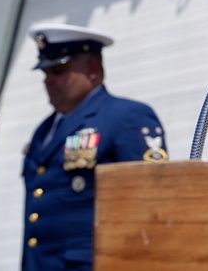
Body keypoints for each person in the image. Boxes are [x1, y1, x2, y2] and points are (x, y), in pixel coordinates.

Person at [21, 22, 168, 271]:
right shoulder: (44, 131)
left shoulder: (127, 117)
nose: (48, 80)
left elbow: (150, 204)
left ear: (92, 69)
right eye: (45, 73)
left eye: (58, 70)